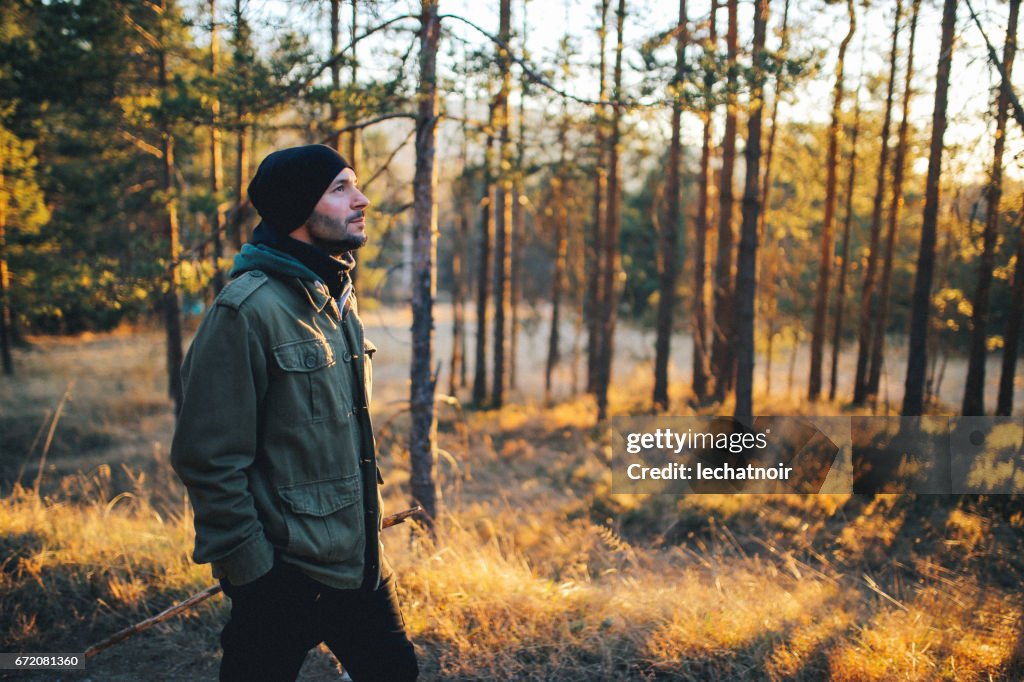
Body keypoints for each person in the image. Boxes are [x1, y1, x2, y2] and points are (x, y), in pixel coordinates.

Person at [171, 144, 418, 682]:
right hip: (284, 577)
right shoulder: (245, 311)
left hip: (360, 568)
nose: (362, 199)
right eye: (340, 188)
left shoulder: (336, 296)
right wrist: (256, 574)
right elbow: (207, 458)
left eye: (355, 185)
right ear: (297, 209)